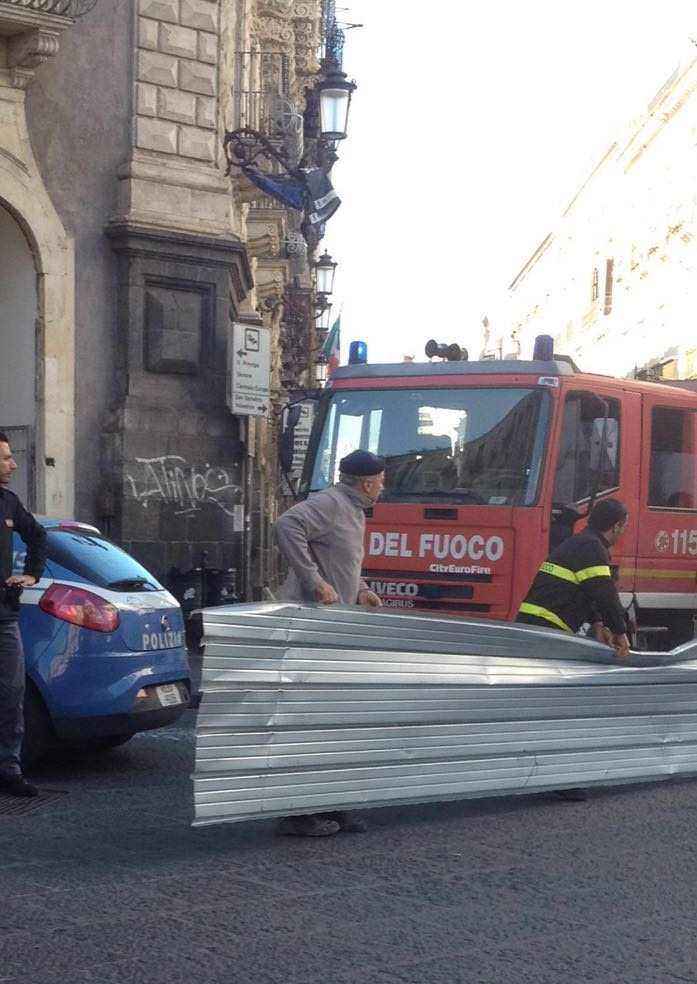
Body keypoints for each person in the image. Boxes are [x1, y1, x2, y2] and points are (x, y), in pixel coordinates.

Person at [274, 449, 385, 836]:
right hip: (311, 627)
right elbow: (286, 525)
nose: (383, 487)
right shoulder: (331, 503)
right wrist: (313, 581)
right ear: (368, 482)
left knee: (336, 719)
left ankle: (334, 803)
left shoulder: (352, 510)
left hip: (334, 625)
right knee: (309, 721)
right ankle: (297, 812)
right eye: (381, 481)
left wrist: (362, 589)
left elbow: (340, 559)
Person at [516, 497, 630, 802]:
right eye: (623, 528)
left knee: (548, 705)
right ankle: (558, 775)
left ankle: (542, 769)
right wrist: (620, 632)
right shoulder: (593, 549)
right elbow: (605, 594)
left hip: (538, 629)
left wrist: (596, 623)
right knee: (563, 705)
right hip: (547, 632)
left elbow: (587, 590)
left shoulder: (582, 543)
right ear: (617, 526)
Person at [0, 433, 47, 797]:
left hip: (4, 617)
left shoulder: (9, 503)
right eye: (5, 458)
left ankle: (8, 768)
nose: (12, 464)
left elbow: (38, 537)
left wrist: (31, 574)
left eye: (12, 456)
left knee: (11, 692)